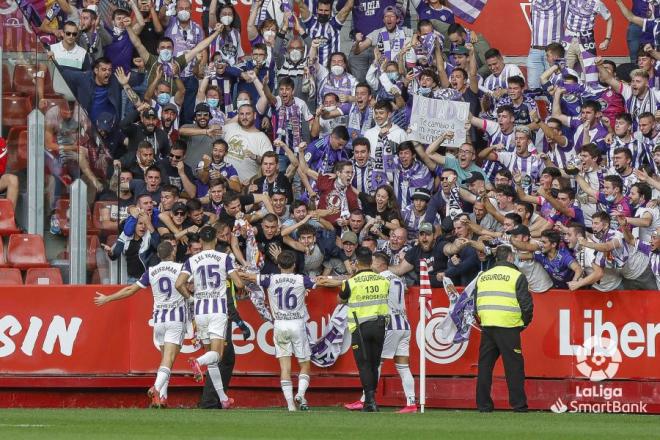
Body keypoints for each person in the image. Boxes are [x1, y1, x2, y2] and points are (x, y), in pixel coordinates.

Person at [94, 242, 185, 408]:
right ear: (172, 253)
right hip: (175, 318)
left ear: (158, 254)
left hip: (158, 320)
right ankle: (156, 388)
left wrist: (107, 298)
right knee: (169, 358)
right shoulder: (181, 268)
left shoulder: (151, 271)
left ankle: (162, 398)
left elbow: (130, 290)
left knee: (165, 358)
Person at [241, 250, 324, 411]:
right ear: (294, 265)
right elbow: (320, 282)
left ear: (278, 265)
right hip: (297, 324)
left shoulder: (270, 279)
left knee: (285, 367)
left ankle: (290, 405)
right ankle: (300, 394)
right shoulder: (301, 279)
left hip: (280, 324)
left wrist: (235, 272)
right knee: (304, 364)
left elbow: (249, 277)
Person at [175, 225, 244, 409]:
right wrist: (240, 283)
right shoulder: (224, 258)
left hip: (200, 310)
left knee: (211, 356)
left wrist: (191, 299)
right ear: (215, 239)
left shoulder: (193, 259)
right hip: (218, 310)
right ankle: (197, 362)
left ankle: (222, 399)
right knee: (217, 355)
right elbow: (237, 283)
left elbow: (179, 283)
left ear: (201, 241)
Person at [474, 245, 533, 413]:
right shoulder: (516, 276)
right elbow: (526, 305)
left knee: (485, 366)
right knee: (514, 367)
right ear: (509, 257)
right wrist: (524, 322)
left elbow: (475, 304)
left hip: (487, 325)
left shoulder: (483, 276)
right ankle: (518, 405)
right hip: (508, 326)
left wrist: (484, 320)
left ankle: (483, 405)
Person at [339, 247, 390, 412]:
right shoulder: (383, 281)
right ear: (371, 262)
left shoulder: (350, 282)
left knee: (364, 365)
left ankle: (369, 401)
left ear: (356, 262)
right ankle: (371, 399)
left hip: (360, 327)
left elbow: (340, 299)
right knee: (374, 365)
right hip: (380, 326)